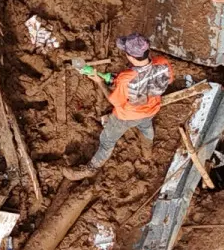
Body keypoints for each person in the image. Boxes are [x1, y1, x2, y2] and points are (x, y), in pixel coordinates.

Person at [69, 34, 173, 176]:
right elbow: (166, 80)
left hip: (125, 117)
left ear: (130, 56)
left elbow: (115, 101)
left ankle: (89, 170)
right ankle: (147, 151)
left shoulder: (126, 78)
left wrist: (99, 82)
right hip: (151, 109)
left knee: (106, 141)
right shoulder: (163, 63)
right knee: (146, 126)